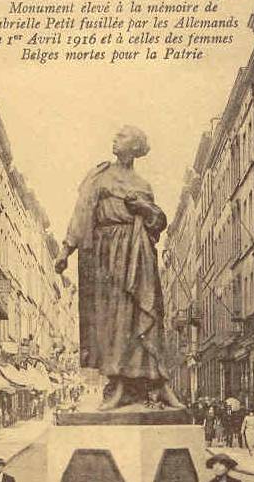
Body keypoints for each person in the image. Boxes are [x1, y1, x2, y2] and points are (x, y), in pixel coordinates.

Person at [55, 125, 183, 412]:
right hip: (107, 252)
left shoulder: (143, 184)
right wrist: (65, 250)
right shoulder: (100, 176)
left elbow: (157, 224)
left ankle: (157, 383)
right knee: (114, 319)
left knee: (143, 314)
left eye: (122, 136)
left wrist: (146, 209)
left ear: (136, 146)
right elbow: (81, 213)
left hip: (138, 255)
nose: (114, 138)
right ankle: (119, 384)